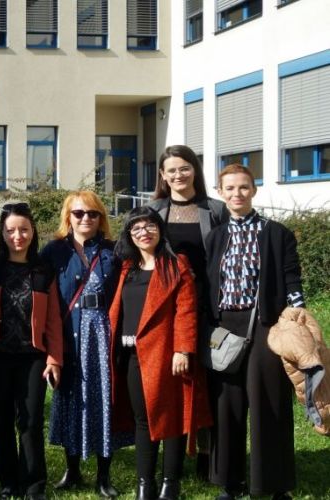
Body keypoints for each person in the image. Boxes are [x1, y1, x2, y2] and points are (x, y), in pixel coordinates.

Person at [205, 164, 305, 500]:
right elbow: (207, 283)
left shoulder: (277, 233)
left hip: (265, 325)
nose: (237, 194)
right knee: (226, 404)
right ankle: (229, 483)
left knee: (270, 402)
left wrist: (298, 313)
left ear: (254, 190)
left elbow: (291, 277)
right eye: (230, 188)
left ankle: (275, 484)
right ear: (220, 192)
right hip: (224, 326)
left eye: (244, 187)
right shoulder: (215, 237)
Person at [0, 203, 63, 500]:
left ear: (33, 232)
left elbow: (54, 320)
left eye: (23, 230)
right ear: (2, 234)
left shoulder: (44, 271)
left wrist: (54, 359)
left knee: (30, 421)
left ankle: (33, 485)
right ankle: (8, 482)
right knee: (1, 420)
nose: (17, 236)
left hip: (32, 358)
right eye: (10, 231)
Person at [110, 207, 211, 500]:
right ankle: (145, 484)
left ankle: (170, 483)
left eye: (149, 225)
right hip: (132, 355)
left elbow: (186, 311)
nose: (144, 232)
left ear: (160, 229)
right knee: (143, 420)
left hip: (167, 356)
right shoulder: (127, 268)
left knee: (172, 419)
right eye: (136, 228)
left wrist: (183, 349)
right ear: (129, 235)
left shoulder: (176, 265)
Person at [147, 145, 229, 480]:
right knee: (174, 382)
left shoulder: (216, 210)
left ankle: (207, 458)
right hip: (169, 310)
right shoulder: (153, 210)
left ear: (195, 170)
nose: (178, 175)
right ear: (162, 176)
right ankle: (174, 457)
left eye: (185, 168)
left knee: (210, 382)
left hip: (210, 306)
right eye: (172, 170)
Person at [41, 191, 125, 498]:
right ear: (68, 217)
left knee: (103, 402)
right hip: (70, 334)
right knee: (71, 400)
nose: (85, 218)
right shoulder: (53, 251)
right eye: (79, 213)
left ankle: (104, 476)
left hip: (103, 334)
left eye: (92, 213)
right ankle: (72, 470)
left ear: (101, 218)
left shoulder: (114, 250)